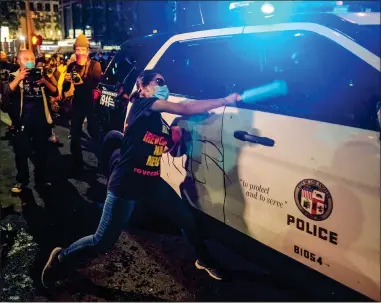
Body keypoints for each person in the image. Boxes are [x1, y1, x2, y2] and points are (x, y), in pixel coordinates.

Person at [41, 69, 242, 288]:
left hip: (152, 182)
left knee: (185, 218)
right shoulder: (142, 106)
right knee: (102, 240)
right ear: (143, 87)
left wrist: (175, 136)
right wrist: (224, 100)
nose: (164, 85)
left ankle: (204, 259)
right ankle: (61, 258)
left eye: (165, 82)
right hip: (126, 183)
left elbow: (165, 148)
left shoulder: (159, 120)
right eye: (159, 81)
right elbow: (185, 107)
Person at [4, 49, 58, 193]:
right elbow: (6, 92)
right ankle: (22, 181)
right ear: (19, 61)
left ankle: (41, 179)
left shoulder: (41, 74)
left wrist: (45, 81)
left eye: (32, 59)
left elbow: (55, 92)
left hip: (40, 121)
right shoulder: (13, 76)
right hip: (22, 121)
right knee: (21, 153)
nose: (30, 61)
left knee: (41, 153)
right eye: (26, 58)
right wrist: (19, 78)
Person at [65, 34, 102, 174]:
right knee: (74, 135)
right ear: (74, 50)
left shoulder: (95, 65)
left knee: (95, 134)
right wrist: (68, 81)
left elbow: (97, 85)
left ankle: (101, 162)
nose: (80, 52)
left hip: (91, 105)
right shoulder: (72, 66)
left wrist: (81, 84)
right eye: (77, 49)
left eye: (83, 49)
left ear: (88, 51)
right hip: (77, 104)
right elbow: (64, 88)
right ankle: (77, 164)